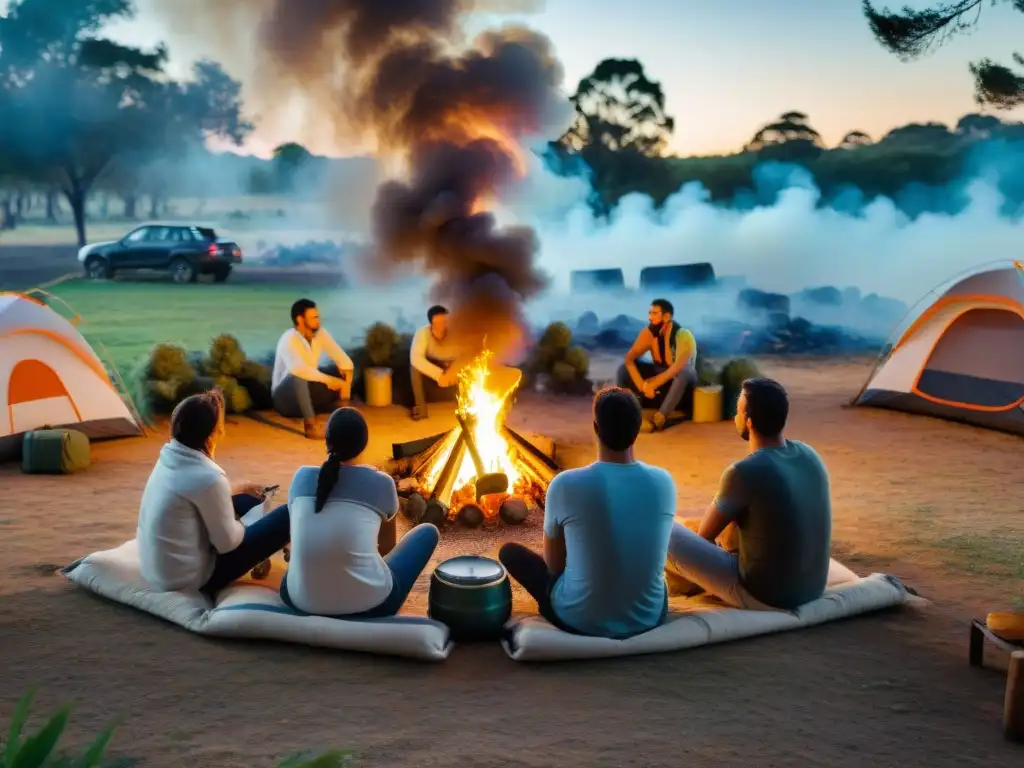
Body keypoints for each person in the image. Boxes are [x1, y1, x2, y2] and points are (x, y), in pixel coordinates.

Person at [498, 387, 676, 639]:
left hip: (577, 620)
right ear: (637, 430)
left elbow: (554, 567)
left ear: (595, 427)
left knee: (510, 553)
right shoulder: (663, 482)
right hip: (649, 618)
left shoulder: (564, 484)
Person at [665, 377, 832, 610]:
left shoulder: (744, 472)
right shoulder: (809, 454)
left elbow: (704, 538)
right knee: (733, 521)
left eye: (738, 411)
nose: (735, 417)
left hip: (765, 594)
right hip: (813, 586)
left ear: (749, 422)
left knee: (661, 527)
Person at [280, 407, 441, 618]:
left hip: (300, 600)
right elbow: (386, 548)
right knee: (428, 532)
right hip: (373, 604)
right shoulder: (381, 482)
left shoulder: (301, 477)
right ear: (364, 443)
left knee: (295, 567)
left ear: (326, 441)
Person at [136, 389, 291, 598]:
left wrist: (239, 488)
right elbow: (226, 544)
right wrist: (242, 524)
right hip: (190, 579)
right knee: (286, 515)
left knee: (249, 499)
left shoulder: (170, 456)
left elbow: (195, 494)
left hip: (157, 571)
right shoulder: (209, 477)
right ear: (212, 434)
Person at [271, 298, 355, 439]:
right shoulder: (288, 339)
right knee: (299, 376)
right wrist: (330, 381)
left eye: (318, 317)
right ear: (300, 319)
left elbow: (344, 360)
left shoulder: (320, 334)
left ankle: (343, 421)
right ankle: (311, 426)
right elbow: (299, 369)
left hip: (308, 392)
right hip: (284, 399)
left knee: (340, 371)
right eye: (314, 317)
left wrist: (345, 379)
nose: (318, 320)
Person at [616, 298, 698, 433]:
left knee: (686, 371)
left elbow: (677, 367)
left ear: (666, 316)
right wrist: (642, 385)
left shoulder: (683, 335)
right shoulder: (648, 334)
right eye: (649, 313)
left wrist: (654, 383)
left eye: (654, 314)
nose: (650, 318)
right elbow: (629, 360)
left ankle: (660, 419)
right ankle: (629, 413)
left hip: (681, 387)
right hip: (660, 387)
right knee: (623, 369)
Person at [409, 304, 461, 420]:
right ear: (431, 323)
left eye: (444, 321)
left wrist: (452, 371)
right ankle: (420, 408)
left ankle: (467, 406)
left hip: (452, 364)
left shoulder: (457, 332)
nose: (442, 326)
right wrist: (439, 375)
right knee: (414, 368)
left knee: (472, 366)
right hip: (434, 363)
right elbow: (416, 358)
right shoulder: (422, 333)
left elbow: (464, 356)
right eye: (438, 323)